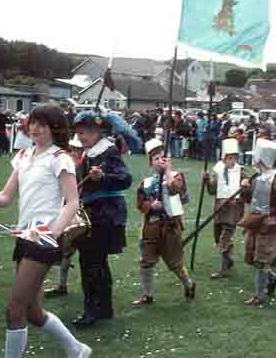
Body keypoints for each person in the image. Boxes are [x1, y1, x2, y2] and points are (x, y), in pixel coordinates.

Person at [0, 104, 92, 358]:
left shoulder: (60, 158)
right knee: (32, 312)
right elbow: (5, 197)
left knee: (14, 310)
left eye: (41, 124)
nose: (34, 128)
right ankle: (78, 349)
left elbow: (73, 201)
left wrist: (52, 233)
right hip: (25, 235)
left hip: (43, 237)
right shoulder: (22, 156)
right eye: (32, 122)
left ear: (54, 128)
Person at [70, 111, 132, 327]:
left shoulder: (108, 151)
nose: (81, 137)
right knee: (96, 263)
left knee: (91, 263)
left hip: (104, 214)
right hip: (94, 212)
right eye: (78, 133)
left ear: (98, 131)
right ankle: (104, 308)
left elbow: (125, 179)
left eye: (85, 132)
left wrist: (104, 176)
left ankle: (93, 310)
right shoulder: (90, 152)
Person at [133, 138, 196, 306]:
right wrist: (150, 205)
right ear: (150, 164)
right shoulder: (145, 183)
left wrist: (168, 171)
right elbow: (140, 203)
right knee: (146, 262)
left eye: (163, 157)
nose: (159, 161)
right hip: (151, 228)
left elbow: (175, 190)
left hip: (170, 228)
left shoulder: (175, 177)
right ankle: (147, 294)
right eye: (155, 158)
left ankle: (188, 284)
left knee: (175, 263)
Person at [239, 138, 276, 306]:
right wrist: (245, 189)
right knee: (251, 257)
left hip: (267, 226)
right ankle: (273, 279)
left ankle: (259, 295)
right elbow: (250, 200)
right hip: (254, 222)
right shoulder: (258, 177)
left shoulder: (275, 178)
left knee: (261, 260)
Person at [44, 135, 84, 298]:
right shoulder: (65, 164)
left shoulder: (84, 165)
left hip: (82, 212)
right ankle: (62, 284)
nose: (74, 152)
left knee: (83, 251)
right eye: (72, 149)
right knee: (66, 250)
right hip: (65, 209)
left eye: (77, 149)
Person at [203, 138, 247, 278]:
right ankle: (229, 259)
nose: (231, 161)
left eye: (233, 158)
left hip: (233, 211)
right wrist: (207, 181)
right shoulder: (219, 172)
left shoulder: (241, 172)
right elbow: (212, 191)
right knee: (218, 238)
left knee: (224, 239)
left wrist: (246, 186)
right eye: (228, 158)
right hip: (219, 210)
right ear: (223, 159)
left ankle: (224, 270)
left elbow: (248, 191)